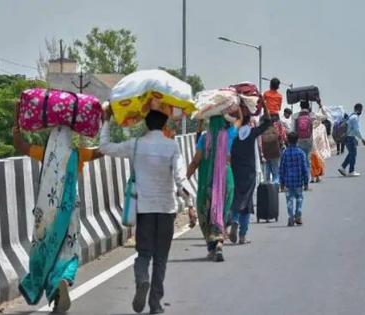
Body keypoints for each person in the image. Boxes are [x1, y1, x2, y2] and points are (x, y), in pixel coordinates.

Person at [100, 107, 192, 314]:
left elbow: (105, 147)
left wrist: (106, 121)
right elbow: (180, 178)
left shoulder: (135, 145)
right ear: (164, 124)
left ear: (146, 124)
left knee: (143, 254)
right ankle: (155, 304)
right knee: (161, 259)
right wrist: (190, 204)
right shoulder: (171, 146)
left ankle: (142, 279)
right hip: (166, 209)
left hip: (144, 209)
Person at [13, 103, 102, 313]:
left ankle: (54, 289)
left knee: (47, 249)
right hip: (70, 212)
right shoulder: (77, 154)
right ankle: (63, 279)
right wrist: (104, 124)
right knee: (69, 251)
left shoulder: (44, 153)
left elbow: (20, 145)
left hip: (46, 212)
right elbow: (101, 151)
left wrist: (16, 122)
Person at [187, 109, 243, 262]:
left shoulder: (204, 139)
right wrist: (237, 107)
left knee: (204, 211)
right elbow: (240, 120)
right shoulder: (230, 134)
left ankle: (212, 247)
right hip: (226, 180)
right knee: (222, 210)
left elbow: (196, 161)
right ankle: (219, 243)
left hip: (207, 181)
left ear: (210, 122)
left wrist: (186, 176)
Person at [229, 105, 271, 244]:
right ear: (249, 121)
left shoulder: (232, 133)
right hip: (249, 172)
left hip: (235, 170)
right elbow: (268, 123)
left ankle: (234, 221)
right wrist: (264, 105)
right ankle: (242, 235)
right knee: (247, 203)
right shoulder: (252, 132)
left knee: (236, 198)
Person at [291, 99, 327, 180]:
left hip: (299, 140)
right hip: (310, 139)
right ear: (309, 106)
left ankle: (302, 177)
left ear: (300, 106)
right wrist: (320, 105)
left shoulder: (295, 116)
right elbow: (325, 117)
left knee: (301, 158)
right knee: (309, 158)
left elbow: (292, 130)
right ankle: (311, 177)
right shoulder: (312, 115)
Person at [279, 132, 309, 226]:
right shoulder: (301, 153)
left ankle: (291, 217)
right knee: (299, 198)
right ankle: (298, 215)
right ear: (297, 140)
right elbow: (305, 168)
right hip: (298, 181)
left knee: (289, 200)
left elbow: (282, 169)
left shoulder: (285, 153)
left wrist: (282, 183)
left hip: (288, 182)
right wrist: (306, 182)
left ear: (288, 140)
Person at [338, 103, 365, 177]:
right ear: (359, 109)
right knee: (353, 154)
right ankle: (351, 171)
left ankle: (342, 167)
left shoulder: (351, 116)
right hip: (350, 138)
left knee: (351, 153)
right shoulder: (355, 117)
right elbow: (356, 130)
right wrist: (362, 139)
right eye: (361, 109)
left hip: (347, 138)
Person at [310, 118, 331, 183]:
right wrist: (326, 147)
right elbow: (324, 137)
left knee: (312, 162)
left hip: (312, 147)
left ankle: (312, 178)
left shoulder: (310, 125)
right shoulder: (322, 126)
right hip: (320, 147)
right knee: (320, 161)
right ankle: (318, 177)